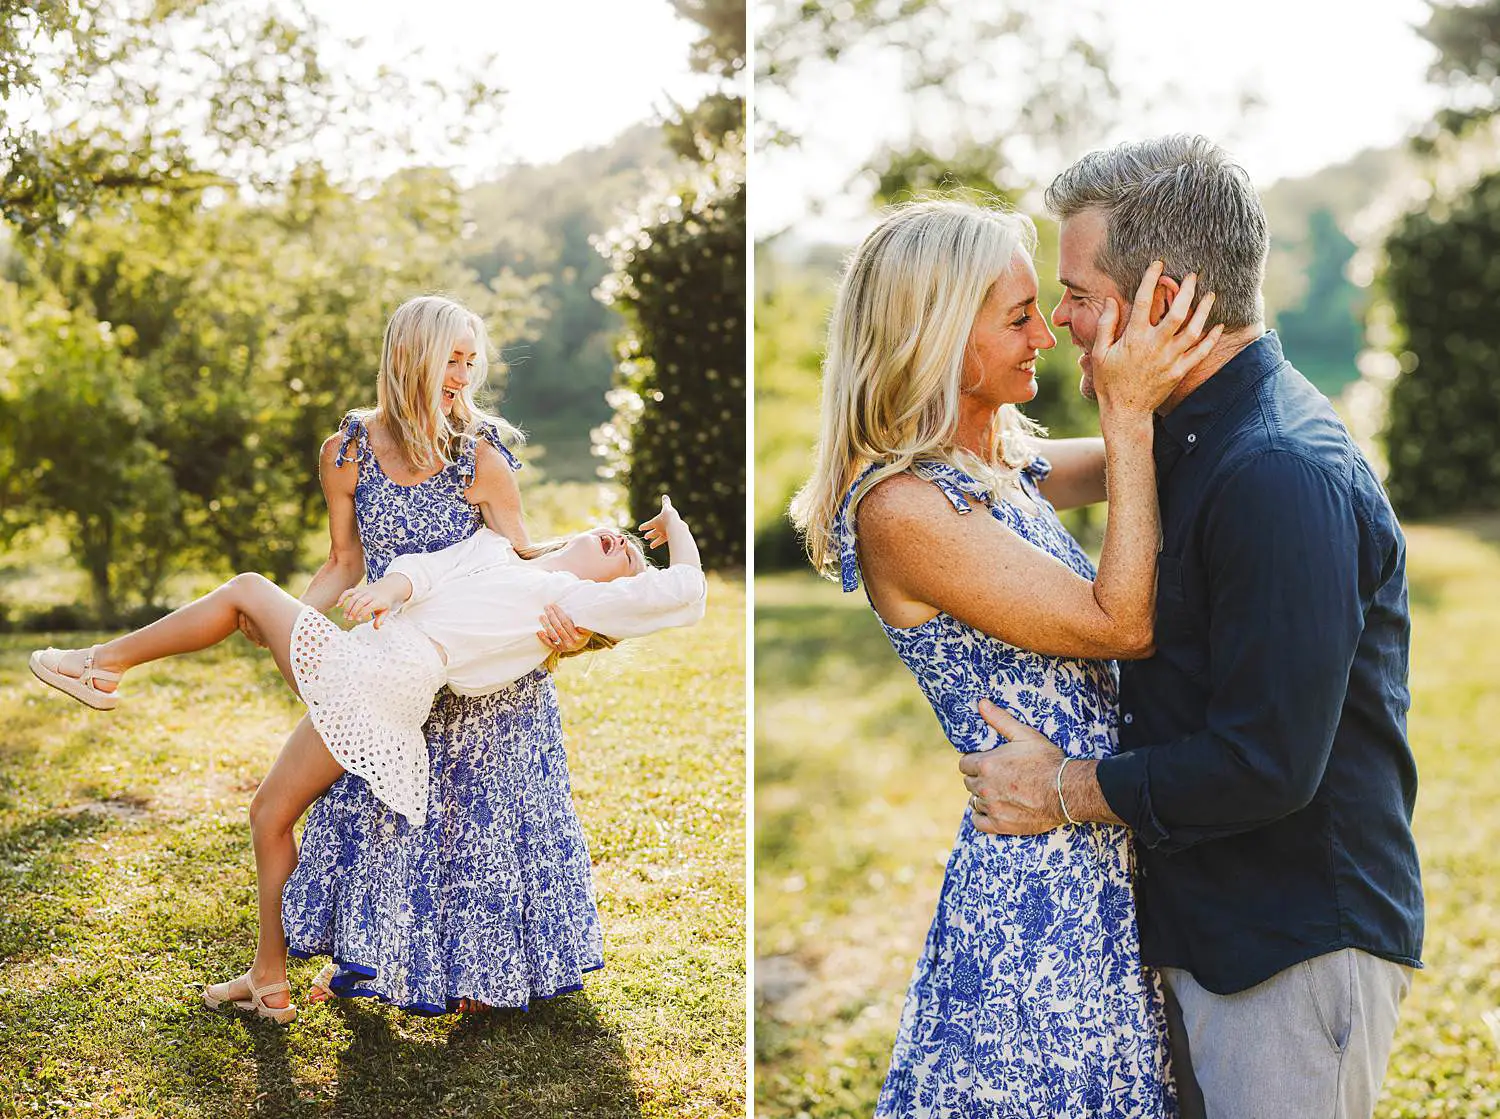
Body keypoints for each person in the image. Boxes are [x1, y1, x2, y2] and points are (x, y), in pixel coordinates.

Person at [960, 136, 1422, 1119]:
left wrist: (1063, 790)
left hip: (1289, 946)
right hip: (1208, 927)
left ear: (1162, 298)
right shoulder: (1180, 433)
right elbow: (1012, 475)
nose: (1061, 322)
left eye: (1077, 291)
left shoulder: (1277, 470)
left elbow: (1266, 761)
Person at [790, 197, 1221, 1116]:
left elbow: (1132, 461)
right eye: (1019, 317)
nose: (1047, 335)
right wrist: (1130, 412)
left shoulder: (997, 465)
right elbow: (1119, 624)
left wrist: (1167, 363)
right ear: (938, 334)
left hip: (1098, 844)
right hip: (1040, 888)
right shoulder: (902, 508)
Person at [29, 498, 705, 1019]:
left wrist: (673, 528)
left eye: (628, 561)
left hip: (384, 681)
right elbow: (429, 569)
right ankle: (268, 980)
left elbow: (685, 592)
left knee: (246, 591)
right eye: (614, 530)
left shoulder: (568, 602)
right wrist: (391, 590)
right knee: (268, 811)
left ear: (614, 596)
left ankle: (101, 666)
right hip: (374, 661)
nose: (620, 541)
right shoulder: (498, 549)